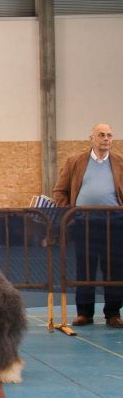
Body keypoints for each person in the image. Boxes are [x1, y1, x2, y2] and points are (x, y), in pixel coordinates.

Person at [52, 123, 123, 328]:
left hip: (115, 223)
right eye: (101, 135)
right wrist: (69, 214)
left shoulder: (119, 162)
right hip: (83, 223)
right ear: (91, 138)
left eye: (109, 135)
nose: (106, 139)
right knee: (85, 268)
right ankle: (84, 313)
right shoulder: (75, 161)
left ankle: (113, 314)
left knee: (114, 270)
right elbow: (60, 191)